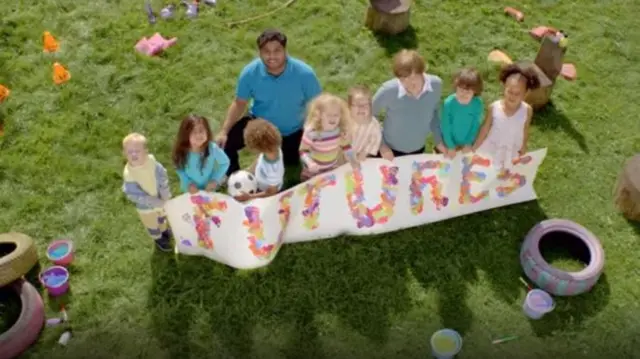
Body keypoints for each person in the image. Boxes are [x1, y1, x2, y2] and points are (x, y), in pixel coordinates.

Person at [215, 29, 322, 175]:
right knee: (226, 143)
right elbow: (239, 103)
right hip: (260, 126)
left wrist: (314, 133)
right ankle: (236, 179)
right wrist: (224, 131)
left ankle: (267, 160)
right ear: (260, 53)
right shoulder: (250, 73)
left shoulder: (305, 74)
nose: (272, 56)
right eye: (266, 51)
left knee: (288, 162)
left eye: (277, 51)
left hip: (293, 131)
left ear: (285, 50)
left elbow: (318, 107)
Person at [371, 49, 446, 160]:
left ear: (423, 71)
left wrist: (438, 140)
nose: (409, 83)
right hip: (389, 151)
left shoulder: (436, 85)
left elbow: (433, 112)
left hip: (417, 148)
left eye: (413, 77)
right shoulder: (388, 91)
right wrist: (382, 146)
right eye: (402, 79)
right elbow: (370, 116)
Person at [472, 64, 540, 168]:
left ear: (526, 93)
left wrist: (524, 146)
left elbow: (525, 129)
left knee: (505, 177)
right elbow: (485, 128)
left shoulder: (527, 110)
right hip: (493, 146)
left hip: (511, 148)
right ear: (504, 87)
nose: (512, 96)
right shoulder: (494, 107)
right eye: (510, 92)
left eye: (517, 93)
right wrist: (476, 146)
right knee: (485, 170)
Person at [121, 133, 173, 252]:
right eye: (130, 152)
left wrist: (164, 191)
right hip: (146, 208)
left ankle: (164, 230)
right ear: (124, 154)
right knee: (152, 224)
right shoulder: (129, 174)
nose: (134, 154)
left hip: (161, 199)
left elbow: (161, 174)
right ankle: (158, 238)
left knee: (162, 217)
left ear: (145, 151)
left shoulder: (151, 162)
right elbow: (135, 195)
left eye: (137, 151)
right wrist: (154, 201)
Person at [299, 93, 360, 181]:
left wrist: (353, 160)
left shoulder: (340, 131)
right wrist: (310, 163)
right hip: (313, 170)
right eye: (329, 115)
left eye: (336, 115)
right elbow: (303, 151)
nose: (333, 118)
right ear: (319, 115)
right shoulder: (312, 132)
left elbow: (346, 147)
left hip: (331, 167)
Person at [172, 114, 230, 194]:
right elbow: (178, 167)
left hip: (208, 189)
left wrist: (214, 180)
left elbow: (225, 163)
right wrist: (188, 183)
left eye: (201, 130)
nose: (198, 135)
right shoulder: (182, 150)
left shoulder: (212, 148)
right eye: (194, 132)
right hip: (189, 190)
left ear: (207, 131)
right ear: (185, 135)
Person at [233, 118, 285, 202]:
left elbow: (272, 192)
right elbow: (259, 158)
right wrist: (250, 170)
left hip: (267, 193)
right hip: (261, 184)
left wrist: (250, 196)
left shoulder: (273, 169)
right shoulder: (272, 147)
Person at [440, 67, 485, 157]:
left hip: (467, 143)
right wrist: (450, 146)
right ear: (455, 87)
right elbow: (445, 126)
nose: (463, 94)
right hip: (448, 142)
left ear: (475, 91)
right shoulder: (449, 103)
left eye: (468, 91)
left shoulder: (477, 104)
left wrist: (468, 143)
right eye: (461, 90)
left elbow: (475, 125)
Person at [347, 85, 387, 161]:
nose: (361, 108)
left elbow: (374, 141)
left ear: (370, 106)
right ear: (349, 107)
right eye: (357, 105)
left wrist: (364, 153)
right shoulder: (346, 119)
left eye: (365, 105)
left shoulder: (373, 125)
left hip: (362, 154)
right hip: (344, 153)